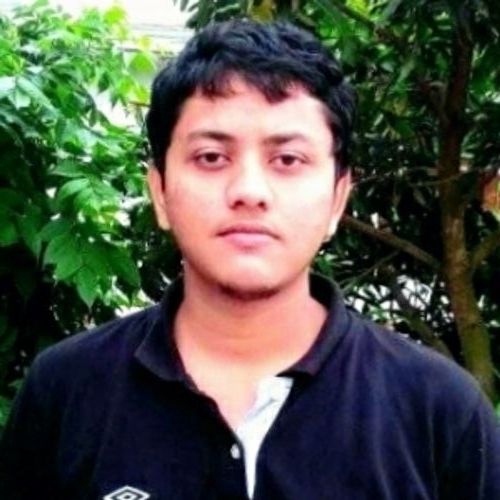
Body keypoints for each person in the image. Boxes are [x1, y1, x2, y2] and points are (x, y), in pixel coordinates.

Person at [1, 19, 499, 500]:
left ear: (337, 199)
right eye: (211, 157)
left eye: (288, 160)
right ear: (160, 192)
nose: (249, 191)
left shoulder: (439, 411)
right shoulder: (66, 390)